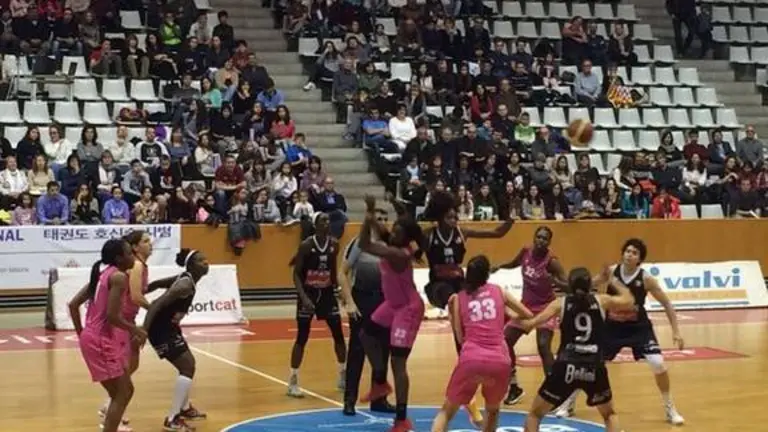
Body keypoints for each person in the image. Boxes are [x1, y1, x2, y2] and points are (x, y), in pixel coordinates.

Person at [553, 239, 686, 425]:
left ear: (640, 259)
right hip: (611, 328)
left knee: (658, 364)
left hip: (638, 328)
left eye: (634, 253)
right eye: (627, 251)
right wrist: (592, 280)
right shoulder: (612, 272)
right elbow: (588, 285)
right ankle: (569, 403)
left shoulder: (646, 279)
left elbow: (667, 303)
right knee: (588, 363)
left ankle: (670, 408)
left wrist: (676, 332)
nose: (629, 255)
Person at [421, 190, 513, 424]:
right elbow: (409, 249)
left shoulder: (463, 232)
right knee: (455, 299)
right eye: (450, 217)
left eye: (456, 217)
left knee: (479, 296)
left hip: (459, 283)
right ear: (440, 217)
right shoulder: (429, 235)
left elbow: (497, 233)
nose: (455, 220)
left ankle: (470, 353)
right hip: (438, 286)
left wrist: (510, 216)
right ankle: (462, 345)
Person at [520, 267, 634, 432]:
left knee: (535, 415)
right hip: (594, 366)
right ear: (589, 285)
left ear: (569, 285)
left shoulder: (560, 303)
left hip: (566, 365)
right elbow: (629, 300)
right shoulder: (601, 301)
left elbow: (531, 324)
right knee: (609, 415)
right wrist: (612, 280)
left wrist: (516, 318)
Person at [431, 255, 533, 432]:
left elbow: (460, 337)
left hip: (471, 359)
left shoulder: (458, 298)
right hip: (499, 361)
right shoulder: (499, 291)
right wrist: (506, 314)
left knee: (446, 412)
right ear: (487, 274)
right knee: (492, 411)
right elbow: (527, 314)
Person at [357, 195, 426, 432]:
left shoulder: (399, 254)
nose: (392, 233)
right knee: (366, 335)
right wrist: (371, 214)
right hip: (393, 304)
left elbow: (365, 244)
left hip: (408, 308)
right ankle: (380, 381)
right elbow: (380, 229)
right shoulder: (395, 243)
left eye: (397, 232)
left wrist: (368, 216)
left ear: (406, 238)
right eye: (393, 229)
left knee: (398, 362)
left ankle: (402, 419)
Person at [68, 239, 145, 432]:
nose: (133, 257)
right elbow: (112, 316)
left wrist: (82, 334)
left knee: (124, 391)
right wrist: (135, 330)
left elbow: (73, 305)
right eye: (129, 253)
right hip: (100, 340)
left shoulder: (102, 274)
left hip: (95, 337)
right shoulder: (118, 277)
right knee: (122, 393)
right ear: (119, 258)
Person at [493, 226, 568, 405]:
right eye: (539, 237)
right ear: (534, 238)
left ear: (549, 242)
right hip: (525, 307)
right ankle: (514, 387)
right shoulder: (526, 251)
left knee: (543, 346)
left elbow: (568, 285)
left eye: (545, 238)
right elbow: (514, 263)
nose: (541, 241)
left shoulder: (552, 261)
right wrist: (499, 267)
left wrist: (554, 281)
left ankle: (553, 391)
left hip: (546, 307)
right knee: (505, 341)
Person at [142, 249, 211, 431]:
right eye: (200, 260)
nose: (206, 262)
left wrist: (142, 290)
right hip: (160, 330)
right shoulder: (184, 285)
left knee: (187, 366)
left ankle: (185, 408)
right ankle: (172, 419)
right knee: (188, 366)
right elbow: (156, 304)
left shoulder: (185, 278)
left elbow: (157, 284)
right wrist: (144, 331)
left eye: (205, 259)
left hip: (170, 328)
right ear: (191, 266)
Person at [339, 207, 395, 415]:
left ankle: (378, 399)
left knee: (383, 350)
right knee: (357, 350)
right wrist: (350, 302)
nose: (382, 222)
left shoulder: (391, 245)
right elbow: (342, 273)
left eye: (385, 218)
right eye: (378, 218)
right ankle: (349, 400)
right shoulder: (359, 243)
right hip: (362, 299)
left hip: (384, 301)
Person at [96, 231, 154, 424]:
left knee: (132, 364)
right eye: (145, 241)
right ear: (135, 247)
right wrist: (156, 309)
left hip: (129, 319)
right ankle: (111, 409)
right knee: (124, 370)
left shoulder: (139, 266)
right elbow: (136, 296)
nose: (150, 244)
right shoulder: (136, 265)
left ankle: (110, 405)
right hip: (123, 321)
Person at [287, 212, 347, 397]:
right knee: (302, 337)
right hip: (309, 293)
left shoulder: (334, 244)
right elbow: (296, 274)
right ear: (315, 225)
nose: (327, 223)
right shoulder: (307, 245)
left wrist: (339, 290)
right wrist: (304, 298)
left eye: (328, 220)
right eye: (323, 220)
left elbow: (333, 270)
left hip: (327, 293)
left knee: (338, 335)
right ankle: (293, 380)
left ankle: (343, 375)